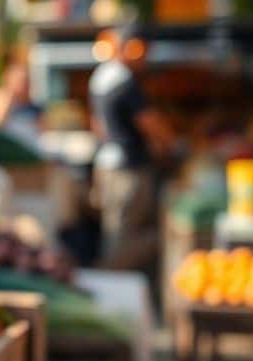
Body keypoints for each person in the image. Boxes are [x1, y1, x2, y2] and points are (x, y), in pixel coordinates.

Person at [89, 25, 177, 270]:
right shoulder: (123, 81)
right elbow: (151, 124)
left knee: (115, 234)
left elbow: (97, 125)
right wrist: (168, 146)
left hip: (107, 165)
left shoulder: (101, 77)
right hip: (128, 169)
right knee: (126, 239)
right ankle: (105, 279)